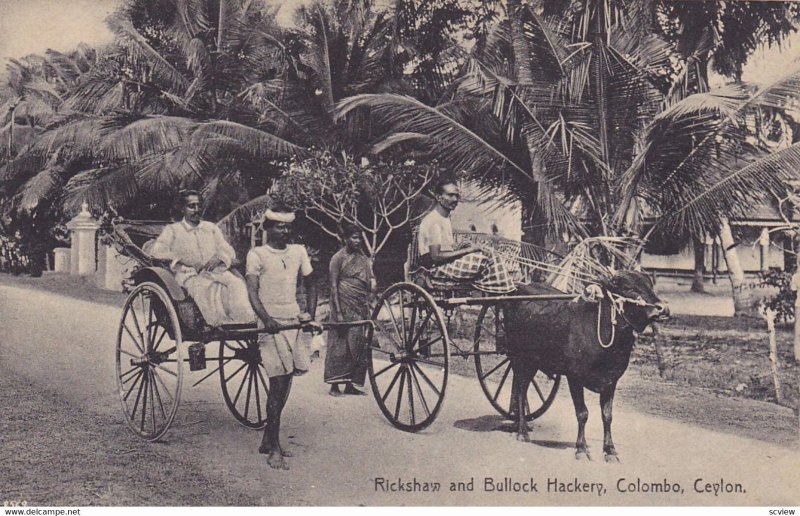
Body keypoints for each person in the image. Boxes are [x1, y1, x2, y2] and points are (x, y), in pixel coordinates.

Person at [246, 208, 318, 470]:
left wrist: (308, 313)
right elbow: (253, 294)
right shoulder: (257, 255)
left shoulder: (298, 251)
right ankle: (274, 446)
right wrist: (266, 320)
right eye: (278, 226)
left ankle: (268, 438)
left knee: (287, 379)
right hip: (270, 322)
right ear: (267, 228)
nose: (284, 231)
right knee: (277, 382)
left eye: (287, 227)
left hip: (292, 320)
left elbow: (312, 282)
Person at [150, 190, 256, 327]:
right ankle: (217, 324)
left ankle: (244, 322)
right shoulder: (173, 230)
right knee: (204, 287)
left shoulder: (211, 228)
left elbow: (228, 250)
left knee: (236, 284)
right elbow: (157, 251)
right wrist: (182, 259)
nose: (196, 210)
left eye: (199, 206)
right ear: (182, 209)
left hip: (216, 271)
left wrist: (220, 257)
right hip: (189, 275)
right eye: (191, 206)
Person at [417, 177, 516, 293]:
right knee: (488, 257)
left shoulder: (444, 218)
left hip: (446, 265)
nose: (455, 199)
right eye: (450, 195)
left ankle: (501, 289)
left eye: (457, 196)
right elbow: (436, 256)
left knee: (488, 251)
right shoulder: (433, 221)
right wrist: (469, 250)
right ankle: (506, 291)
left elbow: (446, 249)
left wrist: (465, 246)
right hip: (435, 269)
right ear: (438, 197)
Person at [324, 223, 375, 396]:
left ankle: (351, 384)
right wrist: (338, 312)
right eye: (354, 237)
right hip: (343, 304)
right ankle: (335, 385)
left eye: (359, 237)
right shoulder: (337, 258)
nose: (358, 241)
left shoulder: (362, 258)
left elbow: (369, 280)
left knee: (358, 344)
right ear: (345, 239)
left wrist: (372, 284)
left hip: (360, 305)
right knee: (340, 344)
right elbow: (332, 286)